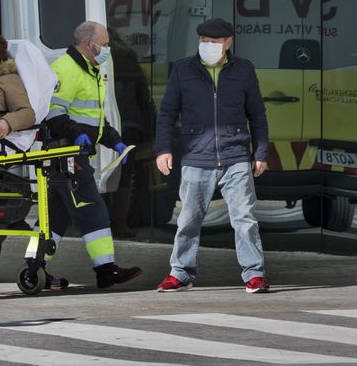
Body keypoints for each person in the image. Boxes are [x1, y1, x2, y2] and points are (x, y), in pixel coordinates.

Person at [154, 18, 270, 294]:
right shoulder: (184, 69)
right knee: (188, 220)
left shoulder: (243, 70)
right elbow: (167, 112)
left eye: (214, 42)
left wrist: (261, 151)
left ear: (227, 43)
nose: (207, 46)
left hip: (236, 155)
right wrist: (163, 149)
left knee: (244, 219)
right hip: (196, 157)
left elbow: (257, 113)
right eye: (203, 41)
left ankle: (254, 274)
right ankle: (180, 273)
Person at [25, 21, 142, 290]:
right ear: (90, 44)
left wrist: (116, 143)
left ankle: (33, 268)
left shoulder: (91, 71)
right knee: (92, 208)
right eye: (105, 43)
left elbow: (95, 120)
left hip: (70, 153)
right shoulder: (66, 69)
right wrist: (76, 133)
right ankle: (105, 269)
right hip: (65, 152)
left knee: (55, 217)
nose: (108, 49)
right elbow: (54, 112)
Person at [104, 28, 153, 238]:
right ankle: (121, 224)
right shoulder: (130, 58)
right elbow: (144, 96)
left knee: (103, 173)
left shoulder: (100, 59)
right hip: (130, 124)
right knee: (125, 175)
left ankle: (102, 223)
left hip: (105, 125)